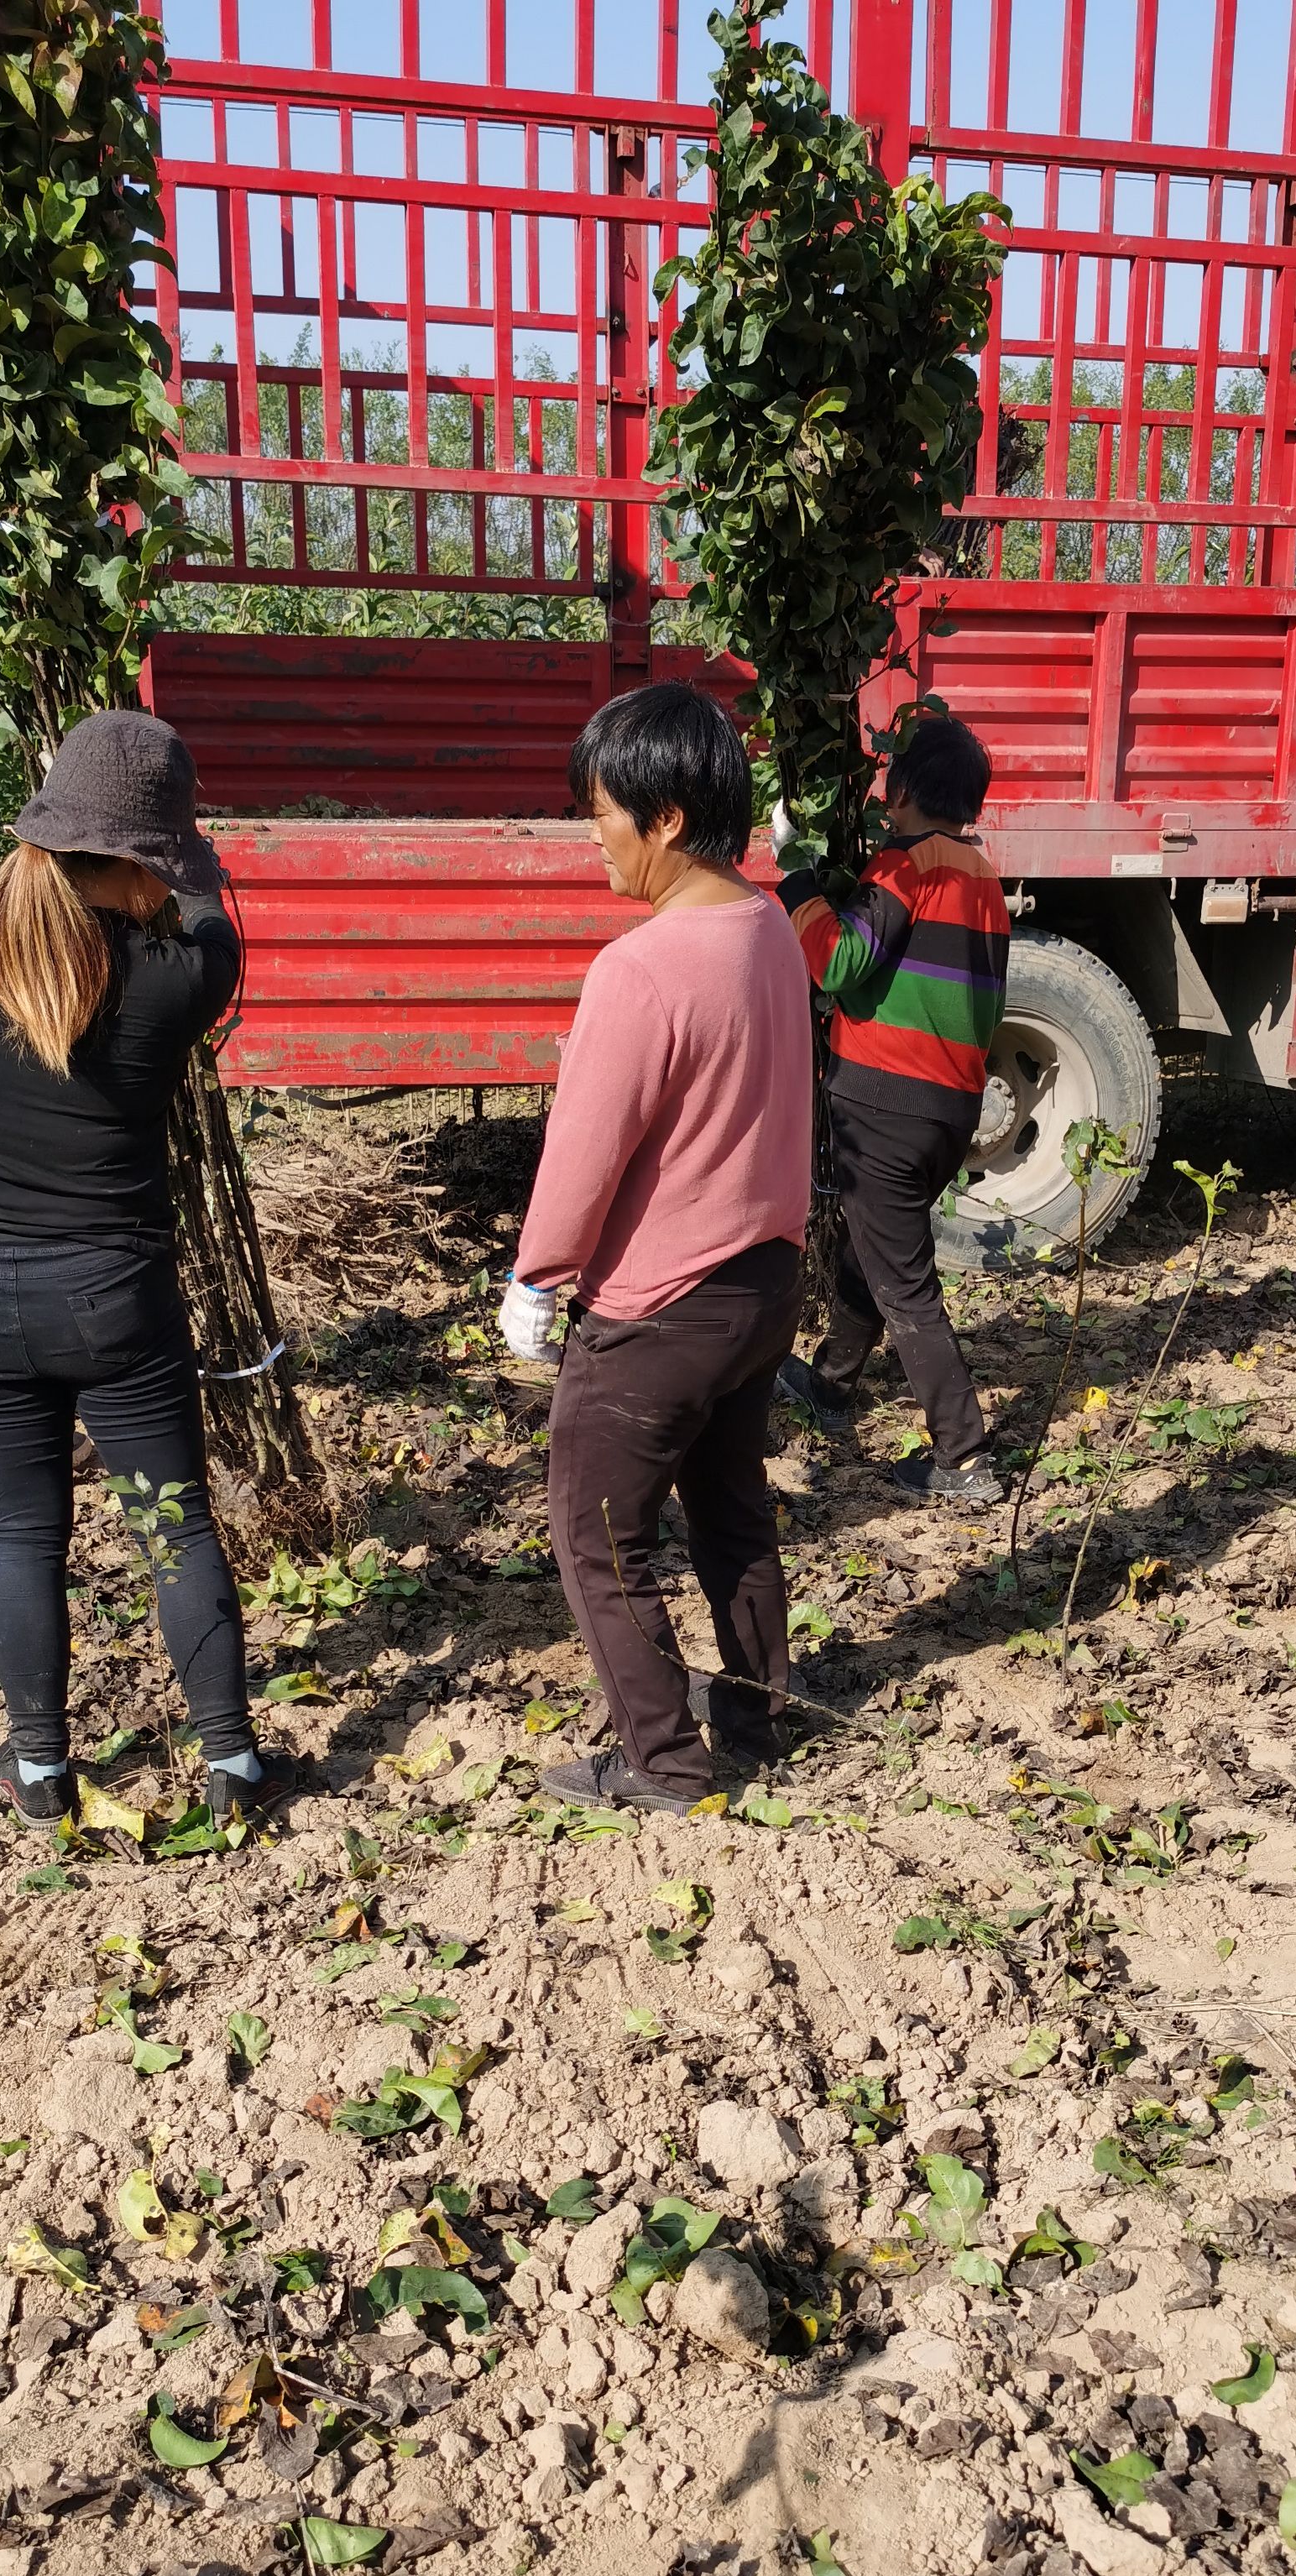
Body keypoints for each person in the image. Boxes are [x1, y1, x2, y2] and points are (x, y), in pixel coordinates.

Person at [0, 709, 297, 1832]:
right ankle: (231, 1764)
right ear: (144, 862)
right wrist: (194, 867)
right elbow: (211, 921)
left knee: (26, 1529)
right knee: (172, 1528)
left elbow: (26, 893)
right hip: (109, 1294)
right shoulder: (177, 980)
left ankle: (40, 1770)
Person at [505, 682, 813, 1816]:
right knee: (731, 1506)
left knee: (597, 1533)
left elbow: (584, 1153)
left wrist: (536, 1278)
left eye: (601, 812)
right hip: (762, 1282)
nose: (594, 835)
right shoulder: (768, 928)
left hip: (659, 1309)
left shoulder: (639, 969)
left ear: (667, 817)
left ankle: (664, 1763)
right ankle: (759, 1714)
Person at [773, 713, 1011, 1503]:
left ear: (899, 791)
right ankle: (832, 1383)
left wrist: (797, 875)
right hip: (950, 1108)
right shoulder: (985, 878)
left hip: (884, 1106)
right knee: (874, 1245)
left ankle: (964, 1457)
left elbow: (840, 961)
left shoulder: (909, 868)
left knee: (905, 1283)